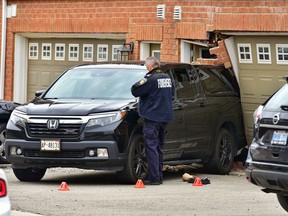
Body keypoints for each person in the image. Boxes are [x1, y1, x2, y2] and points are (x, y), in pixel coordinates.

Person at [131, 57, 173, 185]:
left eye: (146, 67)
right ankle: (159, 176)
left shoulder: (151, 79)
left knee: (151, 147)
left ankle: (154, 177)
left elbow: (135, 90)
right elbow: (172, 95)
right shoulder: (167, 78)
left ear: (149, 67)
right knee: (159, 147)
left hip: (152, 117)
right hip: (164, 117)